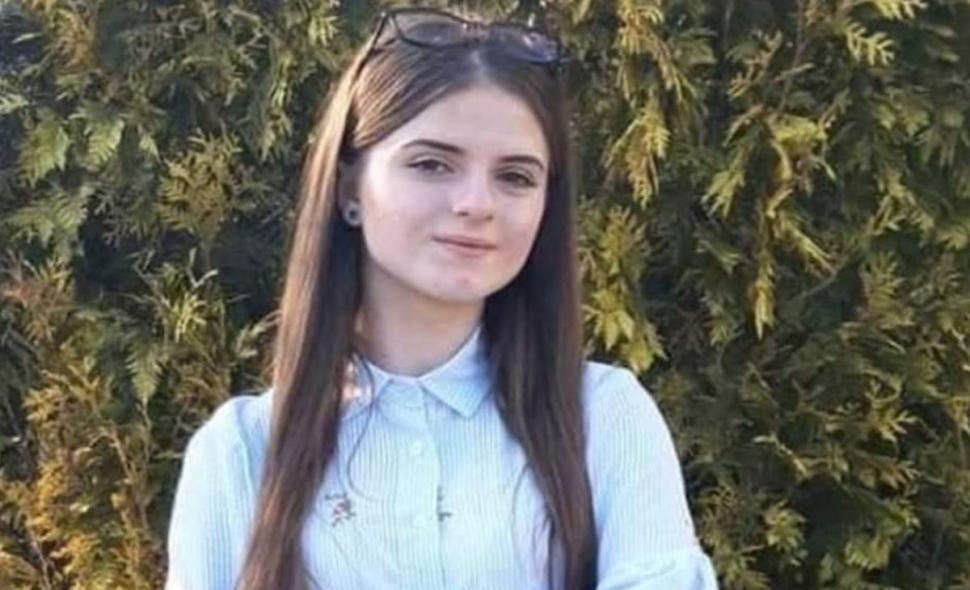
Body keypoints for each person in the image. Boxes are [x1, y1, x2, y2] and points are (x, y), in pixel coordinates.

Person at [165, 7, 719, 590]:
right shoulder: (242, 453)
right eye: (432, 164)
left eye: (516, 176)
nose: (476, 203)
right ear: (349, 187)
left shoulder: (603, 418)